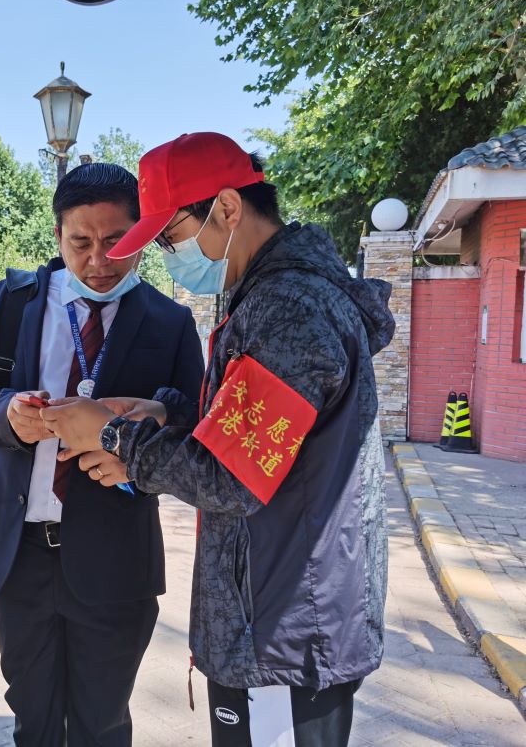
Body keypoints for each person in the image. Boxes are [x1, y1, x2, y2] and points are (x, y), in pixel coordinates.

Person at [41, 133, 395, 747]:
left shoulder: (289, 309)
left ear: (227, 208)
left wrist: (115, 437)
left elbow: (230, 475)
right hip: (277, 612)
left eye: (172, 237)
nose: (170, 257)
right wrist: (166, 414)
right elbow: (255, 431)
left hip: (284, 628)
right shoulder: (269, 292)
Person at [0, 163, 204, 746]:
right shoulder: (7, 305)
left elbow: (194, 420)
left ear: (141, 235)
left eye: (117, 241)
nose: (99, 260)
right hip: (19, 555)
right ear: (58, 235)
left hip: (116, 557)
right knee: (32, 717)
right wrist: (5, 413)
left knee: (101, 721)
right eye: (81, 242)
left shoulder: (169, 322)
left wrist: (147, 430)